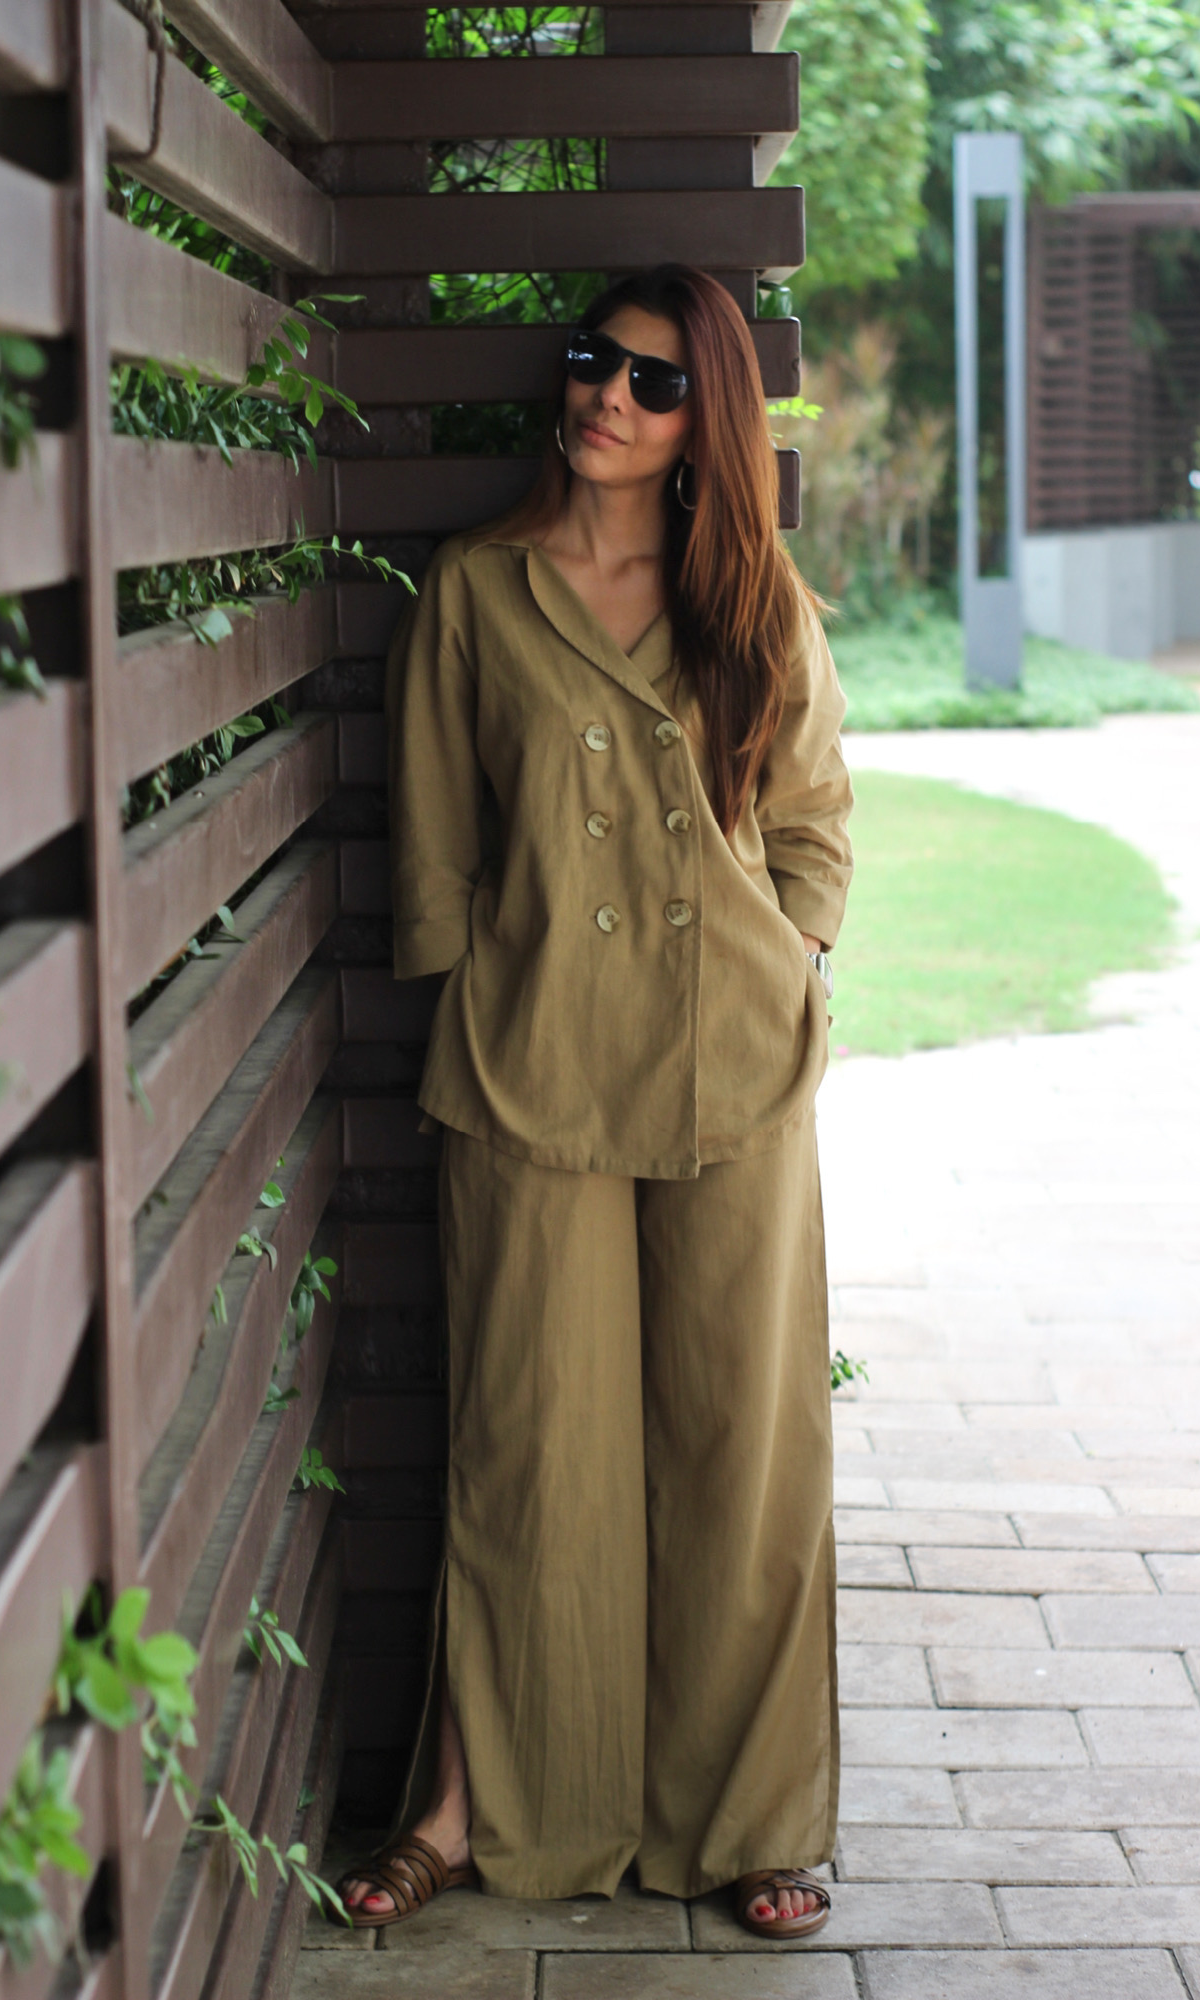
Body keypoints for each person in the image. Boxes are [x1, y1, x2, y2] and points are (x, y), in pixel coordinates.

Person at [337, 263, 854, 1942]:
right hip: (531, 1063)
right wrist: (480, 974)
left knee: (740, 1453)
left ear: (707, 417)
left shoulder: (758, 600)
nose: (604, 402)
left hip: (733, 1067)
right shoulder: (477, 590)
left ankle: (756, 1818)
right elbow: (434, 841)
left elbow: (813, 829)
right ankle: (472, 1803)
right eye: (588, 367)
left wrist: (796, 957)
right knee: (526, 1448)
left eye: (648, 383)